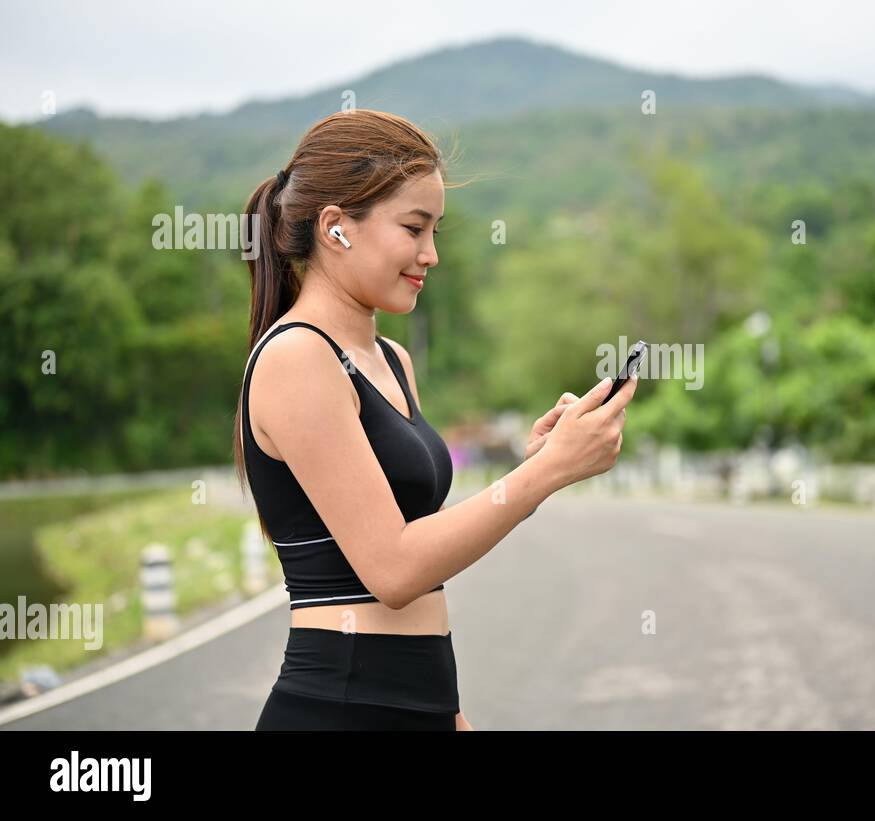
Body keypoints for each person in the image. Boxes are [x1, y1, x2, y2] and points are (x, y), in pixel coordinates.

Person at [235, 109, 636, 730]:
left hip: (420, 702)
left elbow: (420, 547)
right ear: (336, 228)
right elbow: (393, 570)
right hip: (341, 708)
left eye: (436, 230)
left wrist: (450, 714)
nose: (432, 254)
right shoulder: (298, 358)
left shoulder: (390, 361)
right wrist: (548, 475)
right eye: (414, 228)